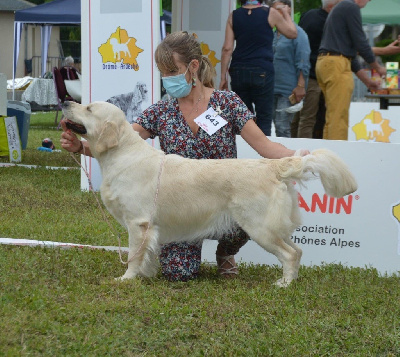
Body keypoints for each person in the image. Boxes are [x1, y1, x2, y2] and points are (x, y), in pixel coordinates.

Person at [61, 31, 309, 282]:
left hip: (224, 192)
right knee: (178, 273)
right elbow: (117, 143)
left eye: (172, 71)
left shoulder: (227, 102)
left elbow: (264, 146)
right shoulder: (160, 111)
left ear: (193, 67)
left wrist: (297, 157)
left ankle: (226, 253)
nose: (167, 78)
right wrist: (80, 147)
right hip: (182, 208)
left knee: (246, 208)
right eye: (163, 72)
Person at [219, 0, 297, 136]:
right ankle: (262, 153)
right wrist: (285, 13)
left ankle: (243, 153)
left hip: (238, 70)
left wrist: (223, 77)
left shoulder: (234, 15)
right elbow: (292, 33)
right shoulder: (270, 13)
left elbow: (227, 48)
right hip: (262, 69)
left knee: (243, 117)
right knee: (264, 118)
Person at [315, 0, 386, 141]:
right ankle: (338, 156)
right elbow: (361, 43)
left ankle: (329, 155)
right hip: (337, 64)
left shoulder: (340, 8)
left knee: (332, 116)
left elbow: (351, 55)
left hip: (325, 63)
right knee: (338, 118)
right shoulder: (351, 7)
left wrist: (367, 81)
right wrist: (378, 68)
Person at [292, 0, 341, 139]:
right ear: (332, 6)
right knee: (308, 118)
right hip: (315, 76)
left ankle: (291, 147)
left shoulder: (308, 15)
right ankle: (303, 153)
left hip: (299, 74)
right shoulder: (330, 23)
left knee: (297, 117)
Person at [271, 0, 311, 138]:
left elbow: (303, 60)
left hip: (288, 89)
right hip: (270, 88)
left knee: (283, 127)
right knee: (274, 126)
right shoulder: (272, 33)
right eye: (274, 9)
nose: (277, 12)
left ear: (289, 9)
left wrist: (300, 86)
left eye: (280, 9)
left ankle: (286, 159)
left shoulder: (298, 33)